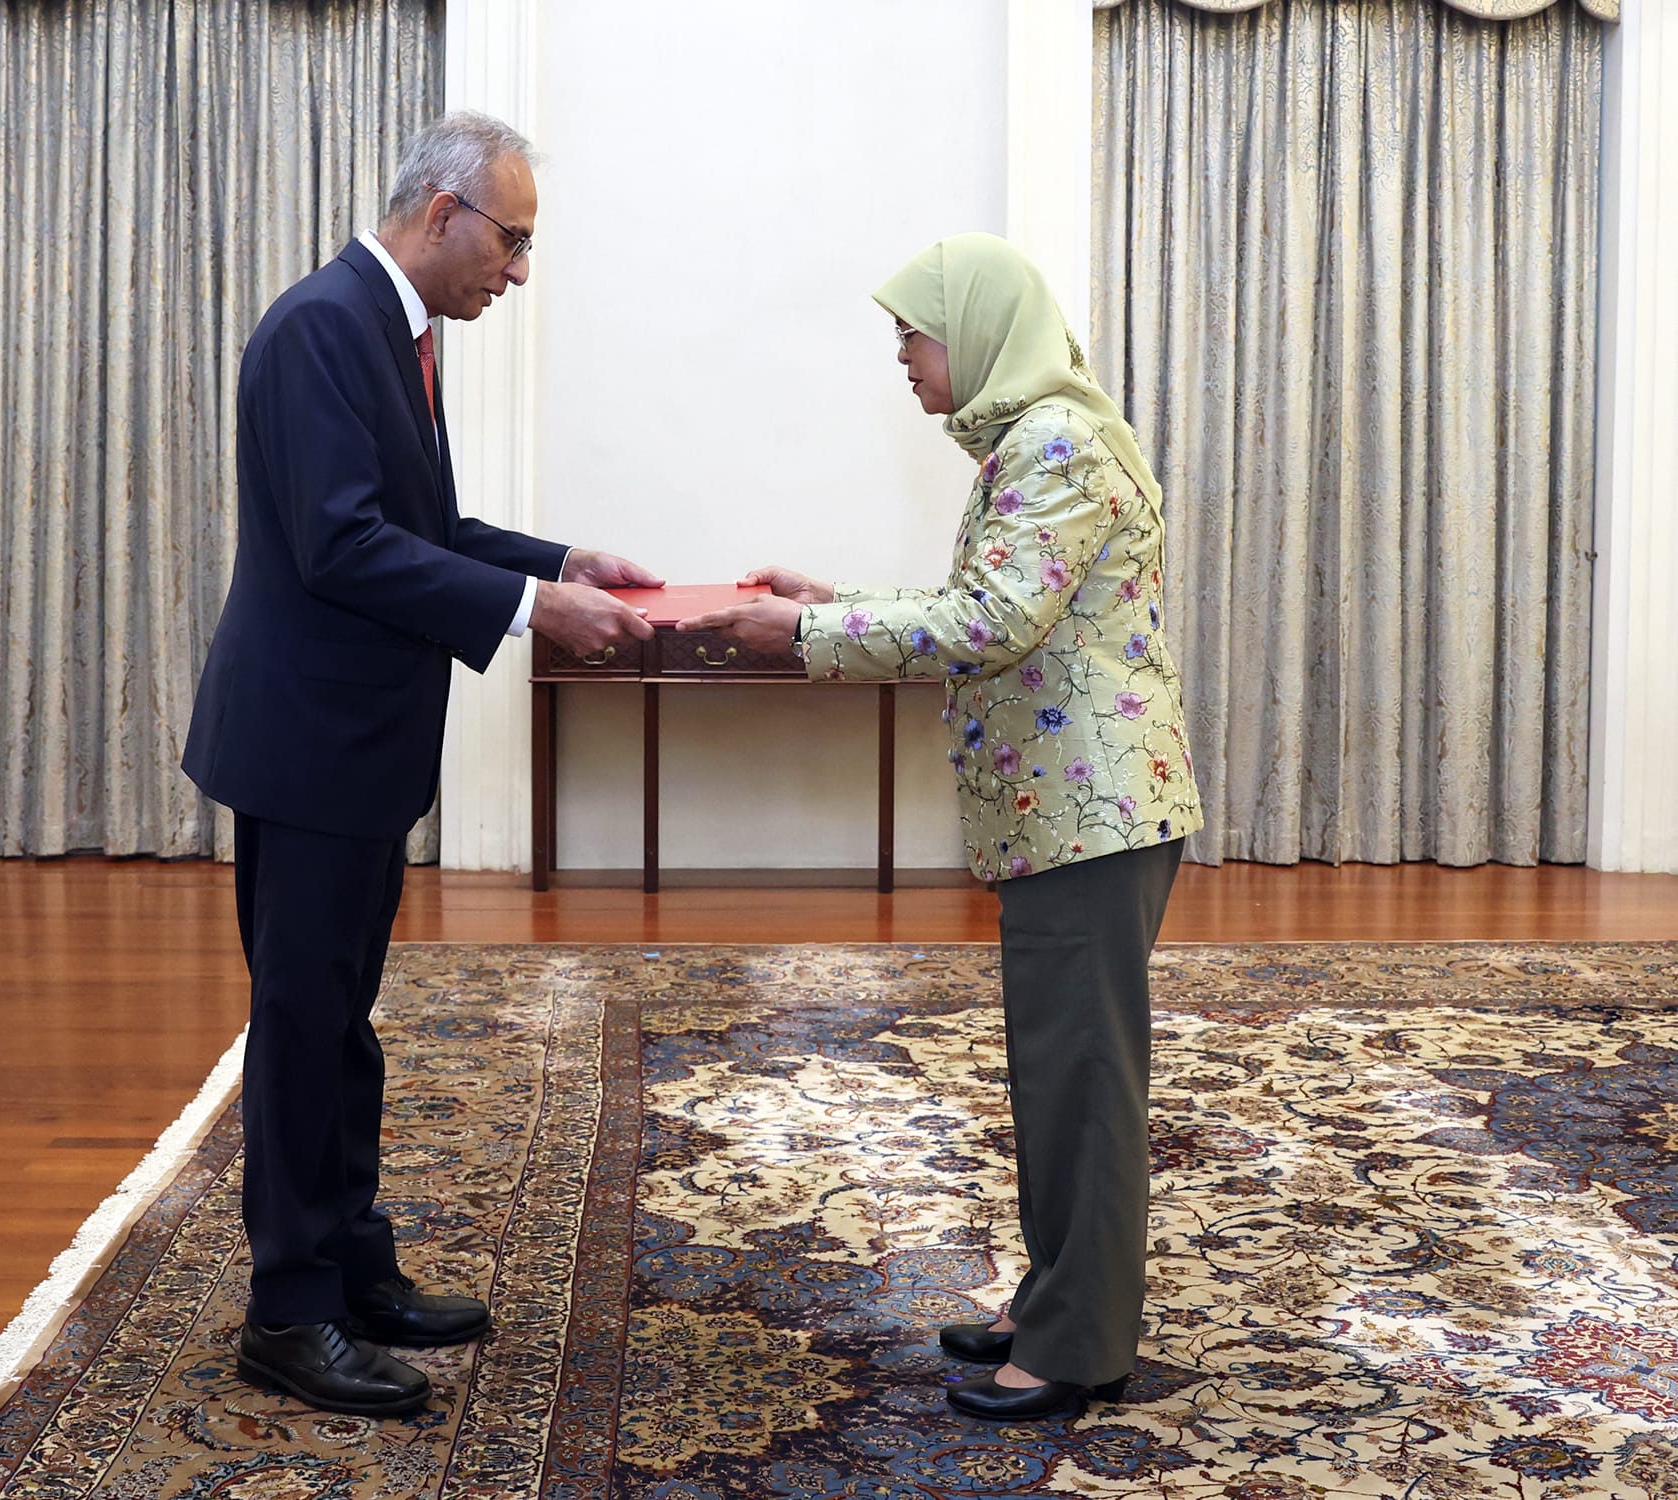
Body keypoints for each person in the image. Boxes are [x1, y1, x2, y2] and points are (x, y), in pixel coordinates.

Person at [182, 111, 661, 1419]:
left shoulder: (394, 333)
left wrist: (557, 562)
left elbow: (426, 528)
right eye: (512, 241)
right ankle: (290, 1314)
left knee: (342, 1025)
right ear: (445, 214)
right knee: (303, 1027)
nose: (519, 271)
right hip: (308, 747)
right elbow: (341, 546)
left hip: (357, 747)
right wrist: (531, 611)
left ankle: (350, 1267)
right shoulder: (320, 328)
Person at [680, 233, 1203, 1423]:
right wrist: (834, 603)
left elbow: (993, 623)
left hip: (1091, 813)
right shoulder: (1036, 438)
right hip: (1068, 812)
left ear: (977, 329)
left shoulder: (1055, 443)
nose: (904, 358)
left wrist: (807, 640)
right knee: (1056, 1072)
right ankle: (1056, 1298)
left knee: (1083, 1080)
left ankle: (1080, 1347)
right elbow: (986, 604)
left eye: (913, 332)